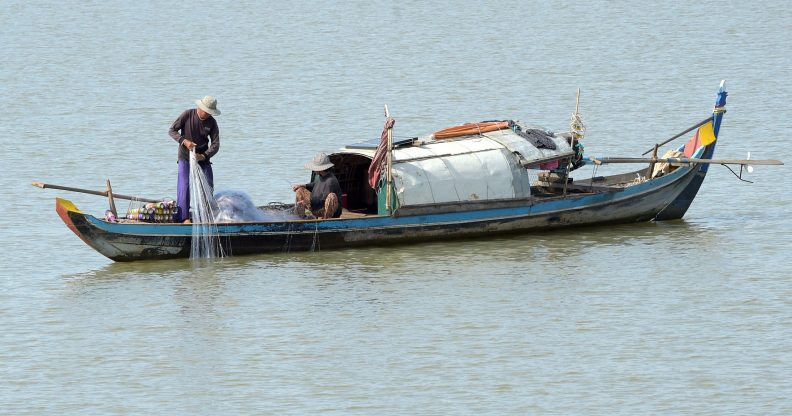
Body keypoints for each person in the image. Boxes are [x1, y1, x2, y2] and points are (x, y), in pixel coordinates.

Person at [168, 96, 221, 223]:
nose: (207, 114)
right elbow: (172, 131)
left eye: (210, 112)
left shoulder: (212, 123)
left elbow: (215, 144)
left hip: (202, 157)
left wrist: (204, 156)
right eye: (206, 111)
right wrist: (184, 141)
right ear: (200, 107)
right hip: (185, 156)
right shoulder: (187, 115)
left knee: (208, 184)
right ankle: (184, 217)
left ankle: (205, 215)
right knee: (184, 185)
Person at [292, 153, 343, 219]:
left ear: (321, 169)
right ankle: (301, 218)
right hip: (316, 206)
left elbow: (323, 200)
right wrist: (303, 185)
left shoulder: (331, 181)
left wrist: (306, 203)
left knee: (331, 197)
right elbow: (315, 184)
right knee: (300, 190)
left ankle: (325, 219)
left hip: (325, 209)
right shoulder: (321, 176)